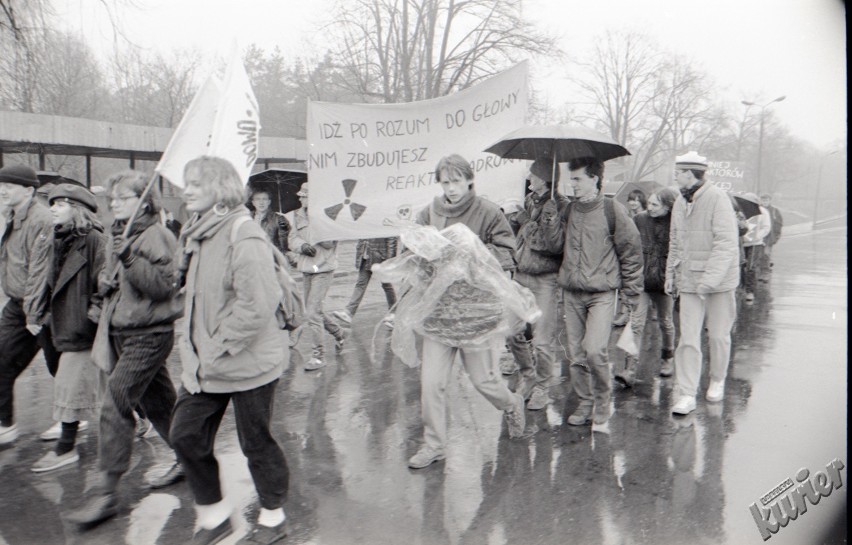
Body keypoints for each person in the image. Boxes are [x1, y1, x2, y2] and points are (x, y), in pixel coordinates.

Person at [170, 156, 290, 545]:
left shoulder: (244, 232)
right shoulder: (198, 232)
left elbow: (258, 302)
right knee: (185, 435)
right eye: (186, 183)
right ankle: (216, 515)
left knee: (255, 443)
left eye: (196, 183)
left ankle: (273, 515)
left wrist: (218, 345)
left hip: (248, 362)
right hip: (206, 363)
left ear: (220, 188)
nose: (186, 189)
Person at [67, 170, 184, 525]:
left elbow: (164, 287)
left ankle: (106, 495)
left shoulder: (157, 235)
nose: (114, 203)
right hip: (121, 332)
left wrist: (130, 259)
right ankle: (192, 458)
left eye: (123, 198)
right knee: (161, 405)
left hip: (150, 334)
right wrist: (106, 284)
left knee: (115, 400)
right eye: (112, 199)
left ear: (144, 203)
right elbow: (117, 285)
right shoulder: (118, 235)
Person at [406, 154, 527, 469]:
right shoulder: (429, 213)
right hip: (439, 314)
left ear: (469, 180)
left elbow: (508, 254)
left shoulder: (488, 212)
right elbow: (412, 253)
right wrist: (420, 250)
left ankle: (512, 404)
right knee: (431, 382)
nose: (451, 188)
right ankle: (434, 445)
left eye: (456, 181)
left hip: (475, 315)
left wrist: (472, 253)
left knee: (484, 381)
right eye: (445, 182)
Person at [540, 157, 643, 430]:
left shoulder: (613, 210)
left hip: (602, 293)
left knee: (595, 350)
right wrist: (550, 220)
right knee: (575, 355)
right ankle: (584, 402)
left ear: (595, 179)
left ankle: (602, 400)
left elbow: (631, 253)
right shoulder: (568, 210)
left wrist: (631, 297)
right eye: (570, 179)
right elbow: (554, 247)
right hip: (571, 293)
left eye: (577, 179)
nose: (571, 185)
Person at [31, 184, 107, 472]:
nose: (52, 208)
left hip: (81, 328)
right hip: (60, 324)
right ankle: (142, 415)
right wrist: (39, 314)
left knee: (69, 385)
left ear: (77, 209)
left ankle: (66, 448)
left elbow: (106, 284)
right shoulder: (55, 238)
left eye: (60, 204)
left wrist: (91, 316)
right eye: (52, 204)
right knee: (108, 385)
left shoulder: (94, 240)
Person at [666, 152, 740, 415]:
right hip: (688, 279)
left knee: (718, 336)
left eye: (678, 172)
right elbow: (675, 242)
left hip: (718, 283)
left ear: (690, 173)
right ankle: (687, 393)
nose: (675, 176)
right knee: (687, 338)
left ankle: (717, 379)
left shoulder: (717, 198)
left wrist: (709, 281)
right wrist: (670, 276)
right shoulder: (679, 201)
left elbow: (726, 243)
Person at [0, 164, 61, 445]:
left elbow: (39, 270)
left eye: (8, 186)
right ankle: (4, 424)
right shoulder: (11, 215)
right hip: (17, 302)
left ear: (28, 190)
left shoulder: (41, 220)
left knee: (59, 363)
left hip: (42, 305)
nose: (2, 190)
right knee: (2, 359)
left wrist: (34, 314)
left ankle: (72, 420)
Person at [507, 158, 571, 410]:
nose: (528, 178)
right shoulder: (529, 200)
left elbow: (552, 246)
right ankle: (527, 374)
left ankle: (543, 385)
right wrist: (514, 221)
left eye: (532, 174)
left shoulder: (562, 206)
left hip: (545, 279)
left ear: (544, 178)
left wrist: (528, 221)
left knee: (543, 339)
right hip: (521, 275)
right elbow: (522, 238)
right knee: (512, 332)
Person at [614, 187, 679, 386]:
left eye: (655, 204)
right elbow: (630, 245)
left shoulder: (677, 223)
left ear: (668, 207)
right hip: (642, 280)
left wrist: (675, 278)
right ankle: (629, 369)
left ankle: (668, 357)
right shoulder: (640, 220)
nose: (649, 207)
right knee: (636, 323)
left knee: (665, 322)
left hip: (664, 282)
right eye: (649, 203)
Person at [288, 185, 346, 371]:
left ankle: (318, 355)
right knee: (314, 310)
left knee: (312, 312)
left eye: (304, 197)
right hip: (307, 267)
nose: (300, 200)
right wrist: (302, 246)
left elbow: (330, 242)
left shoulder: (326, 214)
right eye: (301, 197)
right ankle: (339, 333)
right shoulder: (297, 215)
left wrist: (316, 227)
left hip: (323, 268)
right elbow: (292, 238)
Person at [331, 237, 398, 327]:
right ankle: (349, 312)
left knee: (386, 284)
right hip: (366, 255)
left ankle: (394, 312)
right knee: (361, 283)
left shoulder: (383, 223)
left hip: (379, 257)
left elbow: (391, 239)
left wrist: (390, 261)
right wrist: (359, 253)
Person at [739, 192, 771, 302]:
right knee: (740, 266)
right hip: (742, 243)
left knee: (751, 267)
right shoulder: (740, 212)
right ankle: (741, 286)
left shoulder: (763, 212)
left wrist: (756, 236)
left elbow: (766, 227)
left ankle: (750, 291)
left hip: (755, 244)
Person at [249, 188, 290, 254]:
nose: (261, 202)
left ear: (269, 202)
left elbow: (284, 246)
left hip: (271, 257)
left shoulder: (279, 219)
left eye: (264, 199)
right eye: (258, 199)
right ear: (253, 202)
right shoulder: (247, 218)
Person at [759, 193, 783, 276]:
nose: (764, 202)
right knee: (759, 254)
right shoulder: (758, 209)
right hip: (759, 236)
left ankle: (765, 272)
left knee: (766, 253)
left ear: (770, 201)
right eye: (763, 200)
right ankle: (762, 270)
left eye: (766, 200)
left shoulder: (774, 211)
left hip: (769, 236)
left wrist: (776, 236)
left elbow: (778, 224)